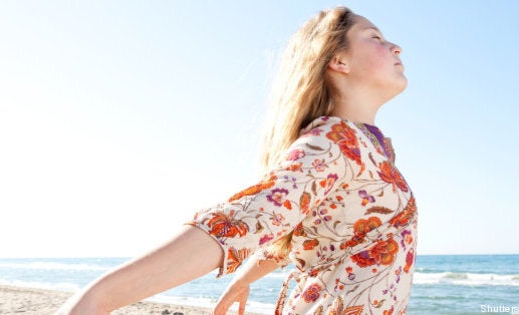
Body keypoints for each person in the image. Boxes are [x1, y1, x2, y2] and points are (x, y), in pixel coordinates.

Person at [55, 6, 417, 315]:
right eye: (375, 37)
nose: (395, 45)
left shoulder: (374, 148)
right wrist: (97, 299)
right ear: (338, 60)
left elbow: (304, 227)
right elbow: (244, 220)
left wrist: (243, 279)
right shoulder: (335, 141)